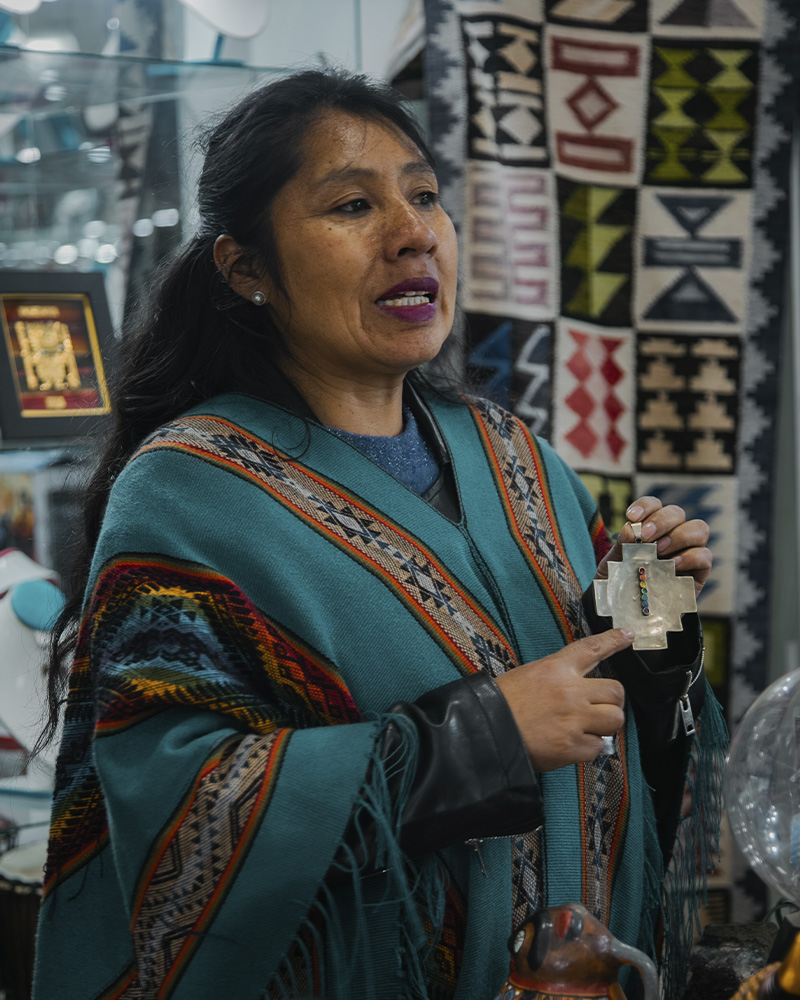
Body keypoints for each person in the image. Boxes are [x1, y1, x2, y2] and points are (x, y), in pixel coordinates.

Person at [33, 69, 724, 1000]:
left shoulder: (515, 454)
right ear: (245, 268)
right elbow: (178, 821)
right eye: (354, 204)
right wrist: (478, 741)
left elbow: (598, 694)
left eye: (425, 195)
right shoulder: (192, 493)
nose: (413, 234)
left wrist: (651, 621)